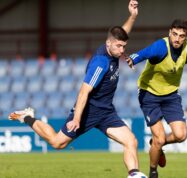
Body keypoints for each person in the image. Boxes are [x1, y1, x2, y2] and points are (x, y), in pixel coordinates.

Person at [9, 0, 145, 177]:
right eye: (118, 46)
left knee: (131, 141)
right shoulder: (100, 62)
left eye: (124, 47)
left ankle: (134, 174)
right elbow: (83, 91)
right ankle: (27, 117)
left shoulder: (114, 46)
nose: (122, 50)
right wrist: (77, 118)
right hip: (88, 111)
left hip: (106, 111)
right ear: (108, 43)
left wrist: (132, 16)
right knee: (57, 143)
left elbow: (123, 33)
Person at [126, 19, 187, 178]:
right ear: (169, 32)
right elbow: (145, 53)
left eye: (181, 35)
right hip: (149, 94)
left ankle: (157, 144)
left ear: (186, 37)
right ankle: (153, 172)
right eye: (174, 34)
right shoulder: (161, 47)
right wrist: (133, 58)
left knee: (181, 135)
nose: (177, 39)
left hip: (170, 96)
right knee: (158, 138)